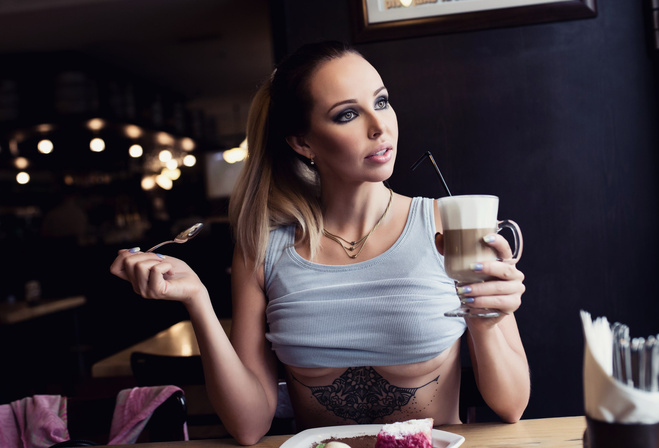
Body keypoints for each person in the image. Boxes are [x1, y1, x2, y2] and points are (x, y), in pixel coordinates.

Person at [110, 41, 529, 445]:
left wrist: (486, 316)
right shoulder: (264, 249)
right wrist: (198, 300)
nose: (379, 126)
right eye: (347, 114)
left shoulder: (448, 224)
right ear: (302, 142)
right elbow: (249, 427)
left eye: (381, 101)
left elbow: (511, 407)